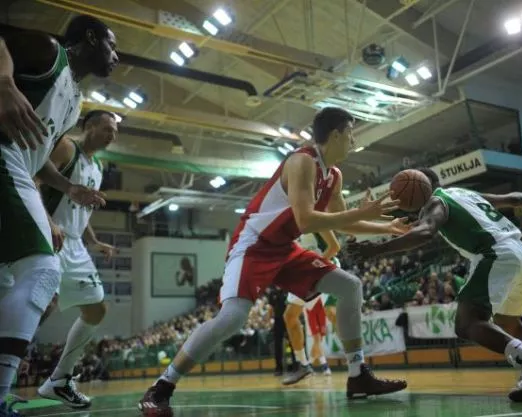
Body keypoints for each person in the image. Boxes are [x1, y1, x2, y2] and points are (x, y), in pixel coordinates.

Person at [138, 107, 409, 416]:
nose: (353, 140)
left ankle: (358, 374)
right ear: (335, 135)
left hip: (284, 247)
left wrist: (386, 227)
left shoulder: (334, 175)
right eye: (350, 134)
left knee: (350, 286)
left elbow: (343, 222)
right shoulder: (302, 161)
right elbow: (306, 220)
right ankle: (161, 387)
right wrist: (361, 213)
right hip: (254, 243)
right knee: (232, 319)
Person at [347, 168, 522, 402]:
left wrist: (376, 249)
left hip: (495, 254)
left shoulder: (435, 201)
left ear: (423, 186)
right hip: (520, 252)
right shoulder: (463, 193)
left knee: (467, 322)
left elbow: (426, 231)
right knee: (508, 322)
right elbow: (510, 199)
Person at [0, 15, 117, 417]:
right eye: (112, 45)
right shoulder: (49, 53)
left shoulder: (74, 99)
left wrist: (68, 187)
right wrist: (4, 83)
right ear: (91, 38)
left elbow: (38, 155)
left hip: (21, 166)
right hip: (6, 158)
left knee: (9, 285)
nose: (116, 56)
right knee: (42, 271)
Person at [34, 110, 119, 409]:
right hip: (49, 234)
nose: (112, 136)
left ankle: (59, 380)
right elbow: (33, 181)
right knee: (42, 305)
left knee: (96, 309)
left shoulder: (97, 166)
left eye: (115, 132)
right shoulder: (67, 147)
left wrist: (92, 240)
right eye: (107, 129)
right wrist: (48, 223)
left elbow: (82, 207)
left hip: (74, 244)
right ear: (89, 126)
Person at [282, 230, 340, 385]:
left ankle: (357, 362)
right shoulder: (287, 227)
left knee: (332, 313)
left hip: (326, 266)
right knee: (289, 316)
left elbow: (334, 247)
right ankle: (304, 365)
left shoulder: (316, 220)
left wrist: (314, 268)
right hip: (305, 273)